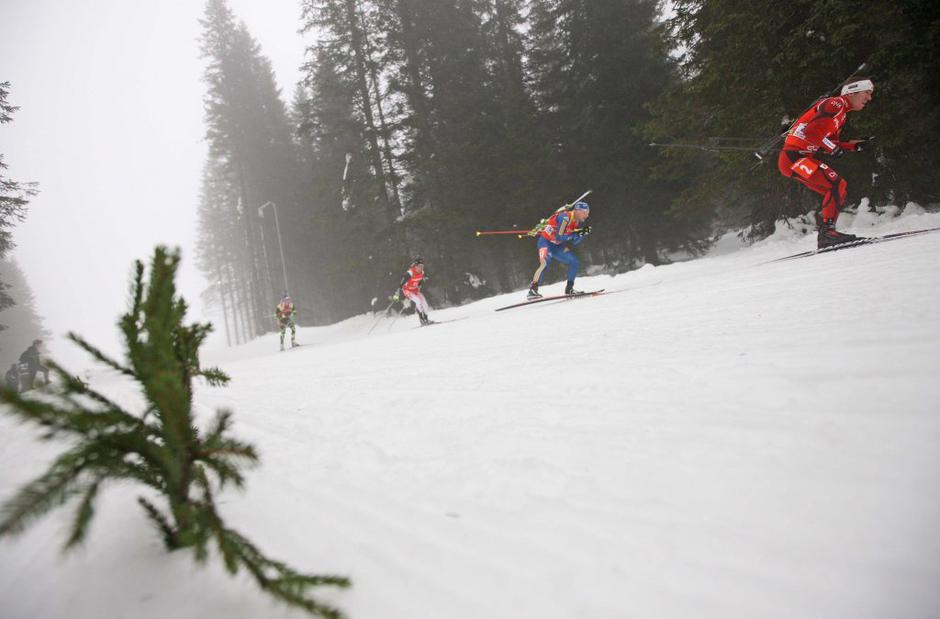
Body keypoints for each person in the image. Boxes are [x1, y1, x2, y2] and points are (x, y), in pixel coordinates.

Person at [778, 78, 875, 248]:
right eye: (867, 93)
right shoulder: (835, 104)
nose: (869, 98)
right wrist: (831, 148)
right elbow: (811, 132)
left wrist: (855, 146)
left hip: (800, 157)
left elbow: (828, 142)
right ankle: (827, 234)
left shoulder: (841, 115)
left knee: (838, 189)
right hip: (794, 157)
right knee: (836, 184)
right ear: (852, 92)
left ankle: (827, 234)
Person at [527, 201, 592, 299]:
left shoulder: (575, 222)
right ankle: (532, 290)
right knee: (545, 264)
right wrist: (576, 234)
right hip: (545, 242)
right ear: (578, 211)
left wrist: (581, 234)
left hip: (557, 246)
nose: (587, 215)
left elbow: (574, 242)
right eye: (585, 212)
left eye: (588, 213)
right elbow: (560, 236)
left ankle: (569, 289)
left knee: (574, 262)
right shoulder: (565, 218)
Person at [393, 257, 434, 326]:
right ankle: (422, 319)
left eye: (422, 266)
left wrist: (422, 281)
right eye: (419, 266)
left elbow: (419, 281)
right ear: (415, 266)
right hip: (407, 290)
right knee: (418, 301)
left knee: (425, 304)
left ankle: (426, 319)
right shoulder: (410, 273)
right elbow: (401, 283)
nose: (421, 268)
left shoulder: (422, 272)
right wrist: (397, 294)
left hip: (415, 290)